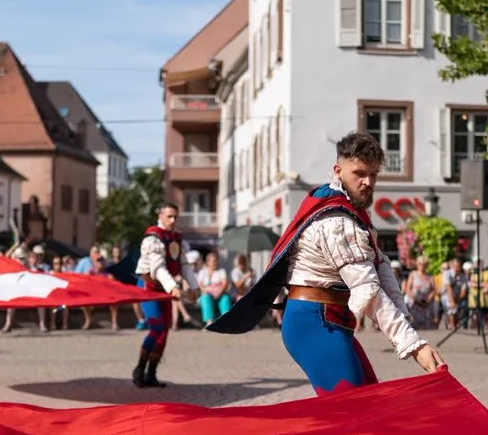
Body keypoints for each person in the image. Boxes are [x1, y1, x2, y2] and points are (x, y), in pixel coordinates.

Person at [207, 131, 444, 394]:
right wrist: (414, 345)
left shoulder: (350, 212)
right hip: (313, 321)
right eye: (360, 173)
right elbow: (367, 288)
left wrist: (406, 325)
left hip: (327, 318)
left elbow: (380, 267)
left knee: (366, 404)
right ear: (338, 170)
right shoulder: (337, 220)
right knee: (352, 413)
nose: (367, 182)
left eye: (373, 174)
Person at [132, 202, 197, 388]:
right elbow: (158, 267)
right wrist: (172, 287)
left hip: (165, 289)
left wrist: (194, 286)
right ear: (160, 216)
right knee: (156, 327)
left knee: (164, 331)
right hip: (149, 287)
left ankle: (151, 373)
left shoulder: (177, 238)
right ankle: (139, 369)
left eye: (175, 216)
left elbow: (184, 265)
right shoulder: (152, 238)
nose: (172, 220)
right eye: (169, 216)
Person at [196, 252, 233, 323]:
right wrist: (205, 290)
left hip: (220, 294)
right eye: (213, 261)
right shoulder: (202, 272)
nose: (216, 263)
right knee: (205, 297)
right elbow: (200, 285)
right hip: (207, 294)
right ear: (208, 262)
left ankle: (227, 322)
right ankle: (209, 322)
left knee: (226, 298)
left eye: (216, 261)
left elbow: (225, 283)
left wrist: (219, 293)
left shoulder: (221, 271)